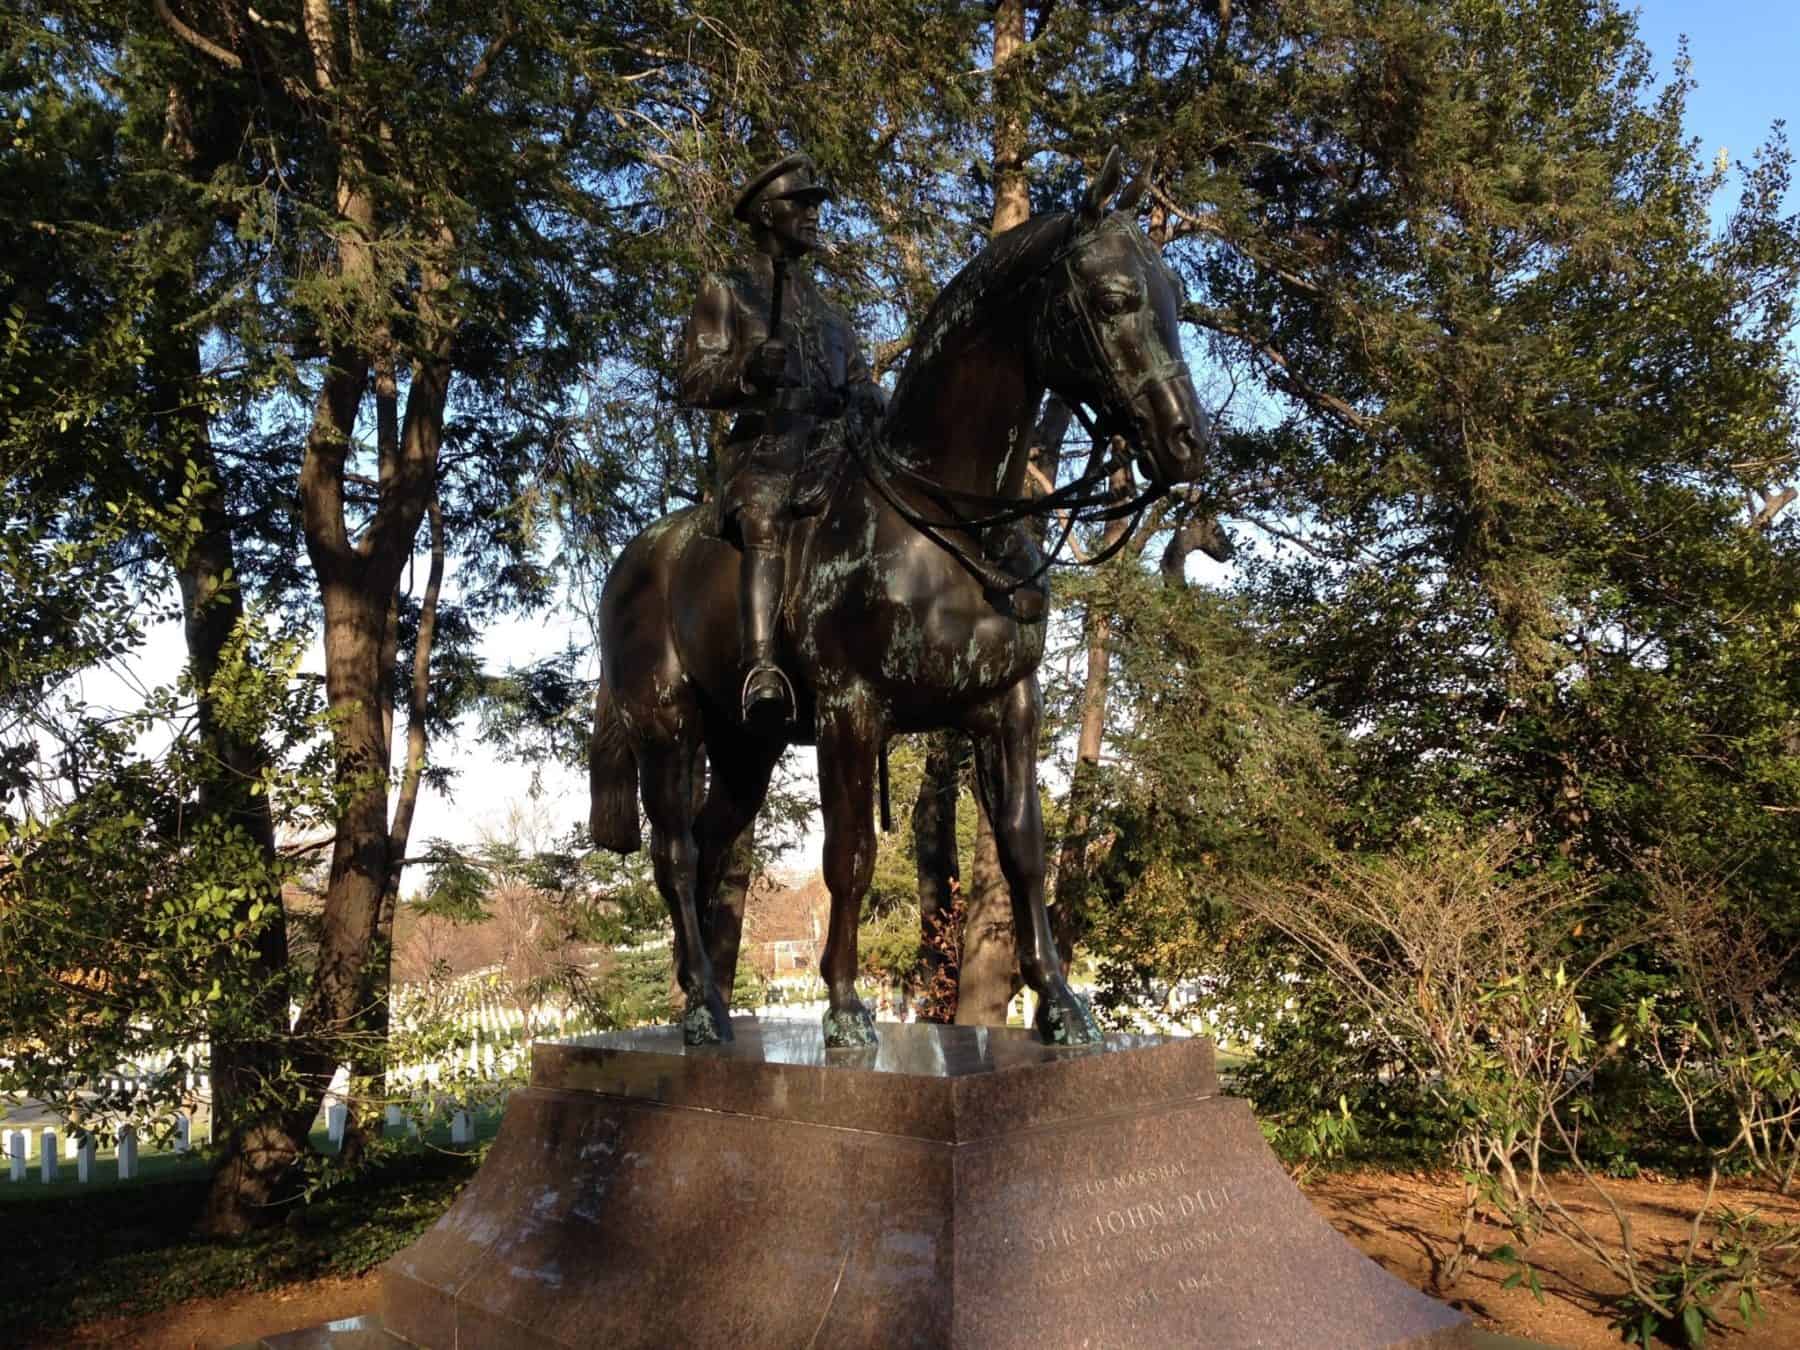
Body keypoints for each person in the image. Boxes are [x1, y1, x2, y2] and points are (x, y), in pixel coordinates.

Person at [678, 151, 886, 730]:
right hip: (764, 451)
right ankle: (760, 666)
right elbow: (695, 380)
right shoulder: (727, 289)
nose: (815, 215)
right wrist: (747, 372)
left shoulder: (831, 312)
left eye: (817, 205)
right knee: (765, 516)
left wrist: (870, 396)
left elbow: (860, 381)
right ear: (768, 214)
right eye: (803, 204)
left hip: (833, 451)